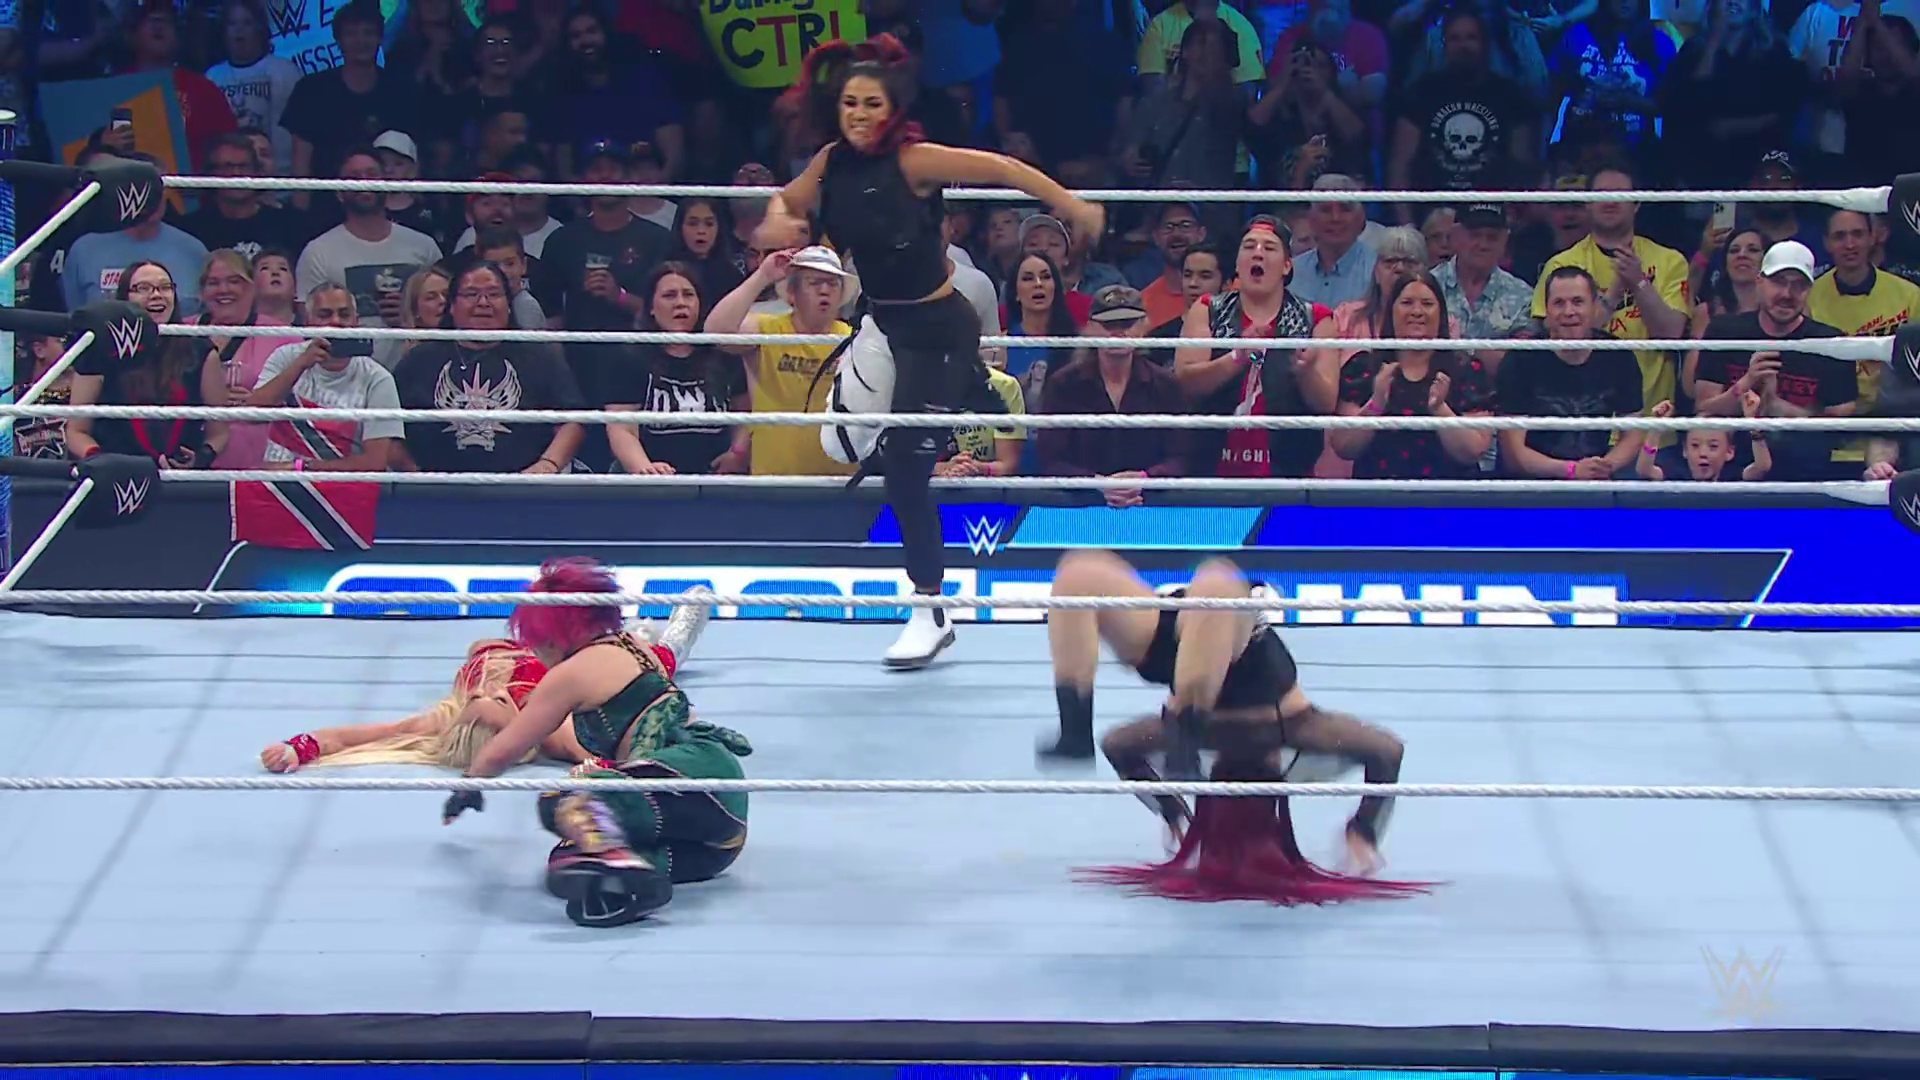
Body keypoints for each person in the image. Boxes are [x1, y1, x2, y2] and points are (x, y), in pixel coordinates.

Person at [754, 34, 1106, 671]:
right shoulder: (831, 162)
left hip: (939, 331)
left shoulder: (916, 161)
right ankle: (971, 388)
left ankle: (929, 609)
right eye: (851, 103)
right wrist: (779, 219)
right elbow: (789, 199)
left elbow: (1002, 169)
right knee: (841, 445)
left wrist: (1070, 203)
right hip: (881, 324)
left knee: (904, 465)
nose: (860, 115)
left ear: (893, 109)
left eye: (873, 104)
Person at [1041, 550, 1432, 905]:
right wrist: (1363, 830)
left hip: (1187, 678)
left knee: (1081, 574)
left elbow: (1118, 747)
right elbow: (1386, 752)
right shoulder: (1296, 735)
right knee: (1214, 582)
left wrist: (1173, 813)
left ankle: (1076, 726)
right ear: (1273, 773)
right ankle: (1089, 729)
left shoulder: (1195, 752)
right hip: (1217, 651)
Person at [442, 560, 750, 929]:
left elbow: (507, 746)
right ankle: (627, 880)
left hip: (692, 776)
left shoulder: (571, 674)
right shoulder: (635, 646)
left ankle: (618, 864)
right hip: (712, 843)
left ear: (550, 636)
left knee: (566, 800)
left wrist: (468, 786)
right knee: (573, 853)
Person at [260, 600, 712, 773]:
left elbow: (353, 737)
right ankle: (681, 628)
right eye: (493, 702)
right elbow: (608, 754)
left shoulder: (442, 722)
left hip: (519, 646)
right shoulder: (550, 729)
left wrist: (300, 746)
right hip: (573, 660)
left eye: (473, 700)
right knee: (652, 659)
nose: (485, 692)